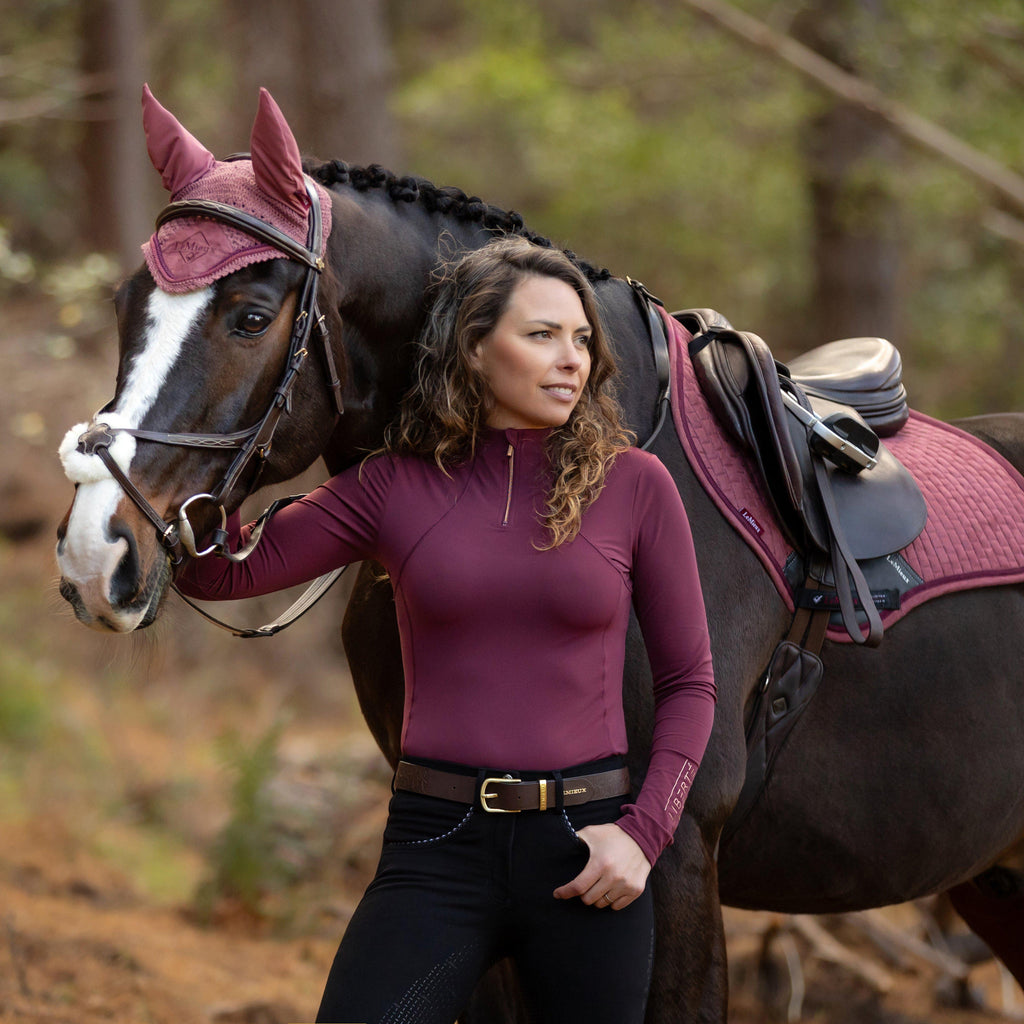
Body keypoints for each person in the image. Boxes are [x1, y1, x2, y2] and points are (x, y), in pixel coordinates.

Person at [177, 236, 716, 1024]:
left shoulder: (634, 484)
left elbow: (691, 683)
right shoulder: (393, 487)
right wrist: (165, 457)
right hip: (437, 851)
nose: (573, 359)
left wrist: (643, 835)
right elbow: (220, 570)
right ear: (473, 346)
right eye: (541, 336)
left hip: (585, 850)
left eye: (581, 339)